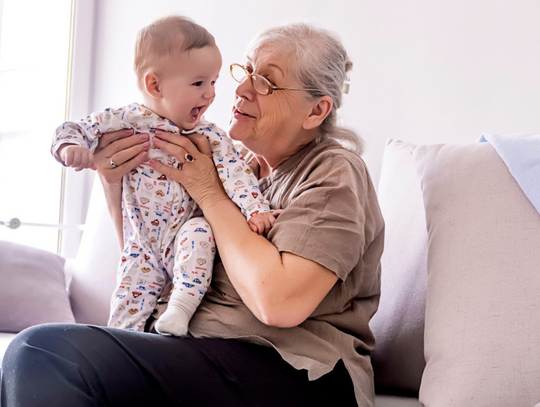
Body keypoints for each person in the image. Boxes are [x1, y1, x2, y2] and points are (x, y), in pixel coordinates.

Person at [1, 21, 384, 407]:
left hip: (296, 371)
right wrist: (113, 184)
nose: (241, 89)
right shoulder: (237, 168)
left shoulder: (332, 170)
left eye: (266, 81)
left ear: (316, 111)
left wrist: (207, 192)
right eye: (246, 71)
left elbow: (278, 303)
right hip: (198, 350)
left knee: (43, 351)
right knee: (37, 357)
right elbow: (157, 258)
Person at [50, 15, 274, 336]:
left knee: (200, 232)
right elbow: (75, 127)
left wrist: (256, 209)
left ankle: (179, 309)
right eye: (199, 83)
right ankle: (121, 347)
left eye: (213, 82)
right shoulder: (127, 120)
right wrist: (69, 146)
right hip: (142, 244)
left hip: (184, 234)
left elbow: (237, 173)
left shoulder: (209, 135)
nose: (210, 95)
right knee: (126, 307)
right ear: (154, 85)